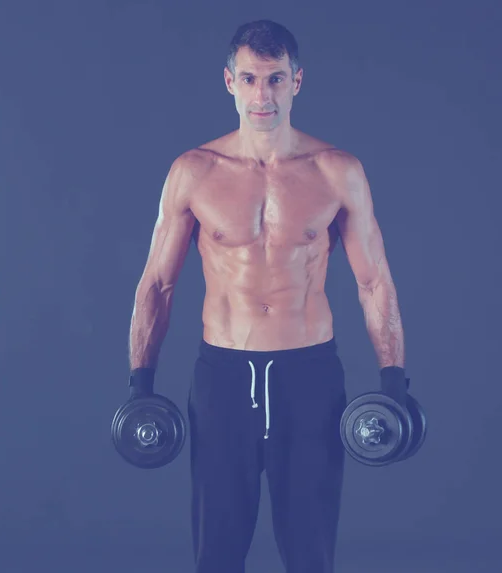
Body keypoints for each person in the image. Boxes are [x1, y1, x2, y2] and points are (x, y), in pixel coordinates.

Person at [127, 19, 408, 573]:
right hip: (223, 380)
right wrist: (141, 383)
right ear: (229, 82)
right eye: (251, 79)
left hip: (309, 377)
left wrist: (393, 381)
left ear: (297, 81)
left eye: (276, 79)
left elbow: (375, 282)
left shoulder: (337, 171)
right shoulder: (194, 172)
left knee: (310, 553)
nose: (263, 95)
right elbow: (157, 285)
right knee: (217, 552)